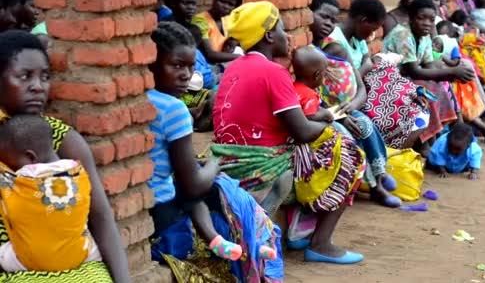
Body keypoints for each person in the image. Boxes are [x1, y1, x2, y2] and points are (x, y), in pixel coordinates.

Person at [212, 1, 366, 264]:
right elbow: (304, 131)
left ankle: (299, 227)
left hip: (228, 157)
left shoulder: (234, 66)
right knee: (350, 155)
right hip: (264, 163)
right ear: (270, 35)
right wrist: (329, 122)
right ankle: (321, 243)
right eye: (282, 29)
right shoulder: (274, 72)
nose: (288, 36)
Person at [147, 21, 283, 282]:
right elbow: (194, 187)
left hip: (146, 210)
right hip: (165, 216)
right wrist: (216, 162)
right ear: (151, 64)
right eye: (176, 65)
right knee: (218, 192)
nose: (186, 74)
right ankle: (245, 245)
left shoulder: (141, 101)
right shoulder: (172, 109)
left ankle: (245, 244)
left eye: (189, 66)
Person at [0, 30, 129, 282]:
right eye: (24, 76)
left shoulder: (59, 137)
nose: (38, 86)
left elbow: (100, 215)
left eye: (45, 77)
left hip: (78, 267)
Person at [311, 0, 401, 208]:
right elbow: (316, 93)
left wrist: (351, 106)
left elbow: (359, 85)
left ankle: (378, 174)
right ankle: (375, 183)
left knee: (365, 120)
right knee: (359, 127)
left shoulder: (352, 42)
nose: (371, 36)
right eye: (372, 30)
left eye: (332, 20)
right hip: (329, 109)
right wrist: (341, 114)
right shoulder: (332, 47)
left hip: (345, 104)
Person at [0, 115, 102, 272]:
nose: (12, 168)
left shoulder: (26, 177)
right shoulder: (79, 173)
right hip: (80, 255)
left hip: (32, 261)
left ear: (30, 157)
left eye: (12, 163)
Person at [384, 0, 476, 144]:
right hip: (389, 82)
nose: (427, 23)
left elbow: (429, 65)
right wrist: (451, 72)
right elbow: (414, 71)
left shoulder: (424, 36)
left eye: (431, 20)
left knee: (440, 84)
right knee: (429, 89)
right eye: (421, 18)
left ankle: (449, 132)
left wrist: (450, 74)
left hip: (407, 78)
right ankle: (427, 141)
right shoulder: (403, 35)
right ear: (411, 18)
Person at [162, 0, 217, 131]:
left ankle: (195, 112)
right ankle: (194, 113)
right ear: (173, 3)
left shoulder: (192, 25)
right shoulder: (170, 29)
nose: (191, 7)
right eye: (185, 3)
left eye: (193, 3)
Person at [192, 0, 243, 64]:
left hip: (220, 65)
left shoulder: (227, 19)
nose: (226, 7)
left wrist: (233, 41)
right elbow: (210, 55)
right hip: (206, 67)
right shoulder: (200, 21)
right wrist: (241, 57)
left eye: (230, 4)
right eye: (222, 1)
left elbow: (237, 37)